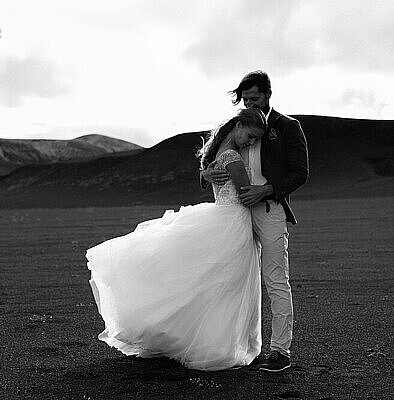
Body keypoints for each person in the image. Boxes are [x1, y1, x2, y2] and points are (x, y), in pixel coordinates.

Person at [87, 108, 267, 371]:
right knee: (227, 286)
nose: (251, 143)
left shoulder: (217, 155)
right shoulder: (233, 158)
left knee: (212, 283)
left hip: (221, 217)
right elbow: (246, 194)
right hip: (234, 223)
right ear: (238, 126)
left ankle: (205, 340)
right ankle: (218, 345)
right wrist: (267, 197)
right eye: (250, 136)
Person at [201, 70, 309, 372]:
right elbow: (212, 162)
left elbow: (301, 172)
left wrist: (267, 190)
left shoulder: (287, 127)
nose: (250, 103)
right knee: (233, 280)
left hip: (269, 210)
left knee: (275, 279)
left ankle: (279, 351)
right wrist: (205, 174)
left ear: (268, 94)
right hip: (234, 215)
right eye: (245, 99)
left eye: (255, 98)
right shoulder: (238, 125)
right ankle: (233, 347)